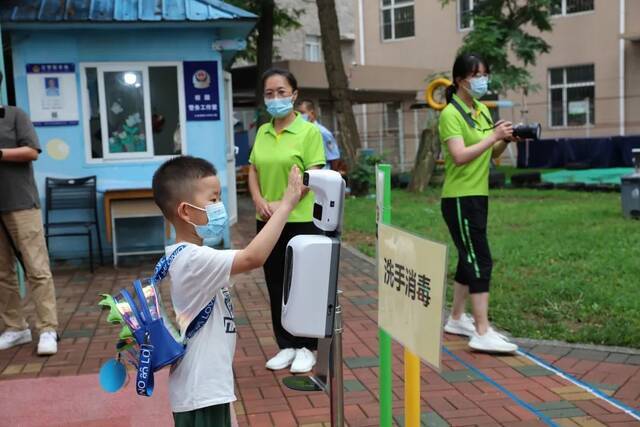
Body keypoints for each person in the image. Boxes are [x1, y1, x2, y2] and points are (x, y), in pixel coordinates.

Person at [152, 156, 304, 427]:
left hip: (206, 387)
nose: (220, 206)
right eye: (213, 199)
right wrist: (289, 204)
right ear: (185, 212)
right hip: (202, 390)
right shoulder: (193, 260)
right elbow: (252, 258)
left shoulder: (193, 256)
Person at [438, 53, 518, 353]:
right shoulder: (450, 114)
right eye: (477, 75)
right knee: (479, 258)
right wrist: (493, 136)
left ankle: (457, 318)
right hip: (459, 198)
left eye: (485, 74)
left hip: (477, 195)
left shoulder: (482, 110)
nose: (483, 80)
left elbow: (491, 153)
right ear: (461, 80)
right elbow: (459, 155)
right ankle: (482, 331)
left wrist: (506, 138)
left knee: (466, 255)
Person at [248, 68, 326, 374]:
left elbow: (313, 175)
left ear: (294, 95)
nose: (276, 98)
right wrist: (257, 200)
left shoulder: (309, 132)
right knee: (276, 282)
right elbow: (252, 169)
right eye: (269, 93)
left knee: (302, 285)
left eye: (282, 92)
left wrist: (284, 203)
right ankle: (286, 344)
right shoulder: (263, 132)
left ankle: (308, 346)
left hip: (300, 218)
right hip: (267, 220)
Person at [0, 71, 59, 356]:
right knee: (2, 273)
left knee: (37, 269)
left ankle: (48, 328)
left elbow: (32, 151)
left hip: (21, 204)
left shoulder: (14, 116)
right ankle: (16, 328)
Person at [296, 99, 341, 170]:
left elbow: (334, 158)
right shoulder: (300, 131)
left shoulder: (323, 132)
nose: (299, 116)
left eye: (302, 112)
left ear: (312, 114)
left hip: (322, 175)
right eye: (297, 113)